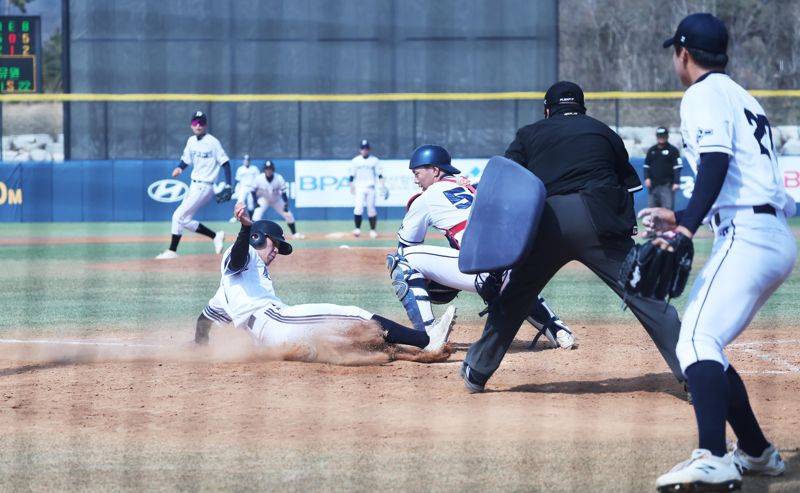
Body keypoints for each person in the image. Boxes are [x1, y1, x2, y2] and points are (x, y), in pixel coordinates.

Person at [460, 81, 686, 394]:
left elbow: (505, 187)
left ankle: (477, 371)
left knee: (515, 298)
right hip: (599, 220)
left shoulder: (530, 133)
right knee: (643, 292)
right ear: (582, 108)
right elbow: (629, 187)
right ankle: (692, 368)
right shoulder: (603, 131)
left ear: (547, 110)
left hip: (548, 222)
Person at [647, 13, 794, 491]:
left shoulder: (702, 94)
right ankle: (755, 452)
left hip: (747, 236)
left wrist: (686, 227)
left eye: (676, 52)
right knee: (706, 341)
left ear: (683, 54)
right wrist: (687, 216)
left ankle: (711, 456)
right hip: (769, 234)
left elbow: (715, 161)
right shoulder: (744, 97)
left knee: (693, 341)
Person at [193, 202, 457, 364]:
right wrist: (244, 229)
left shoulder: (227, 290)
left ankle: (401, 353)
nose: (276, 252)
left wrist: (199, 348)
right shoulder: (244, 253)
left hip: (270, 337)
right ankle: (426, 340)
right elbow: (238, 258)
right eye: (275, 244)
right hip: (276, 320)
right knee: (354, 315)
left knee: (348, 341)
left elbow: (204, 320)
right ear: (257, 238)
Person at [388, 144, 574, 349]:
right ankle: (559, 330)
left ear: (435, 170)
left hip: (482, 268)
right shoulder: (469, 186)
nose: (416, 180)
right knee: (511, 285)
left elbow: (406, 244)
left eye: (417, 173)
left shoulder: (427, 198)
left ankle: (428, 335)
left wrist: (433, 282)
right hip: (518, 261)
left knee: (401, 260)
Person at [156, 111, 229, 259]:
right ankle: (216, 236)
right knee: (185, 220)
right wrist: (179, 168)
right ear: (191, 125)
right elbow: (186, 160)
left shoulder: (212, 142)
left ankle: (172, 251)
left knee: (177, 215)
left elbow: (225, 163)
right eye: (195, 122)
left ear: (205, 124)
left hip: (206, 185)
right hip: (194, 185)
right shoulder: (191, 141)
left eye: (201, 122)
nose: (198, 125)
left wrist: (228, 185)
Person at [250, 160, 304, 240]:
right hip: (264, 199)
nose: (268, 170)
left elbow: (283, 192)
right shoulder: (259, 178)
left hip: (276, 200)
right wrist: (255, 202)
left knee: (288, 215)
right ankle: (253, 235)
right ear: (264, 170)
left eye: (270, 169)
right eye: (267, 169)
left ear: (273, 169)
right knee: (256, 216)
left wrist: (285, 203)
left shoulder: (278, 178)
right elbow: (252, 190)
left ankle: (294, 234)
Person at [350, 139, 387, 238]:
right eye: (362, 148)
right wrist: (351, 186)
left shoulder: (374, 160)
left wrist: (383, 186)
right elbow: (352, 175)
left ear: (369, 149)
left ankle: (372, 230)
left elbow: (379, 174)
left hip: (370, 188)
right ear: (359, 150)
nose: (364, 150)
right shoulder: (355, 161)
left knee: (371, 209)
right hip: (359, 188)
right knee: (358, 208)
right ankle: (357, 229)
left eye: (366, 148)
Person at [644, 126, 683, 212]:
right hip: (653, 186)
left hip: (667, 185)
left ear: (667, 136)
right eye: (659, 136)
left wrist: (676, 182)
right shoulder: (652, 150)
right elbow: (646, 166)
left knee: (667, 211)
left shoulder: (673, 150)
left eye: (663, 135)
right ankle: (654, 226)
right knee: (652, 211)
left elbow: (677, 167)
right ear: (656, 136)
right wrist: (647, 178)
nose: (661, 138)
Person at [229, 154, 259, 221]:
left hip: (252, 188)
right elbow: (237, 179)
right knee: (240, 202)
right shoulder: (240, 169)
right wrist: (233, 188)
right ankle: (236, 217)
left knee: (251, 204)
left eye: (248, 160)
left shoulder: (254, 169)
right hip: (243, 187)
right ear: (243, 161)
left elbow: (258, 180)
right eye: (245, 160)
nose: (246, 161)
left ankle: (251, 219)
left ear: (249, 161)